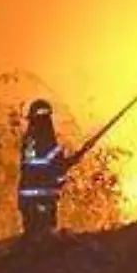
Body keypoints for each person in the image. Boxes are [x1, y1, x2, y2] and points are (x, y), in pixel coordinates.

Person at [18, 99, 84, 237]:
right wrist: (65, 164)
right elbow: (39, 167)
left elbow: (53, 167)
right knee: (41, 239)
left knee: (43, 240)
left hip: (42, 201)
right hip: (38, 203)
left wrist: (68, 162)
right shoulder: (35, 141)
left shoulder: (39, 141)